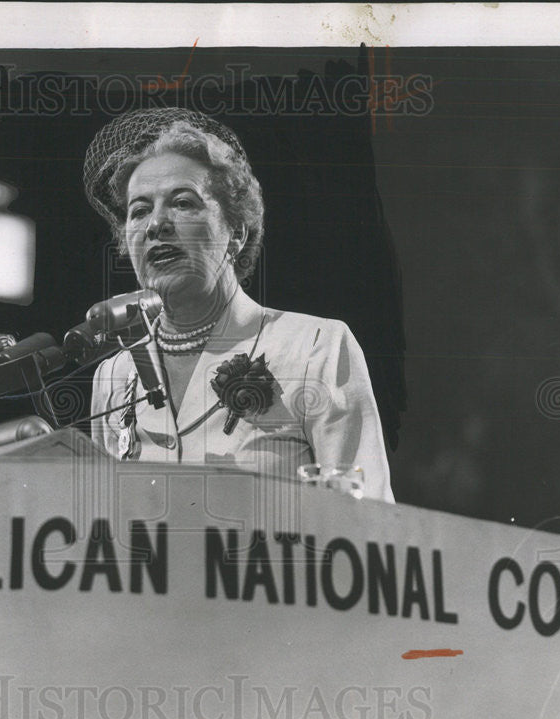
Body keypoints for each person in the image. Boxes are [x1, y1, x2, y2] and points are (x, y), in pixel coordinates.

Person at [85, 108, 394, 502]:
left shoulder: (316, 347)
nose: (155, 224)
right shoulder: (112, 376)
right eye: (139, 210)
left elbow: (367, 523)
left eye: (182, 203)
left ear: (236, 232)